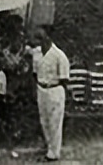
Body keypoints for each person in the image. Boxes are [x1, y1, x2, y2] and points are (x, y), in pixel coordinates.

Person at [31, 27, 69, 162]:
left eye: (41, 38)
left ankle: (54, 152)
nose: (39, 42)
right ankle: (49, 146)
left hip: (55, 89)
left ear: (48, 38)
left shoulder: (59, 56)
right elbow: (34, 73)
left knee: (55, 122)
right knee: (44, 120)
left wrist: (56, 91)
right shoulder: (36, 54)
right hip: (41, 89)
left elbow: (64, 79)